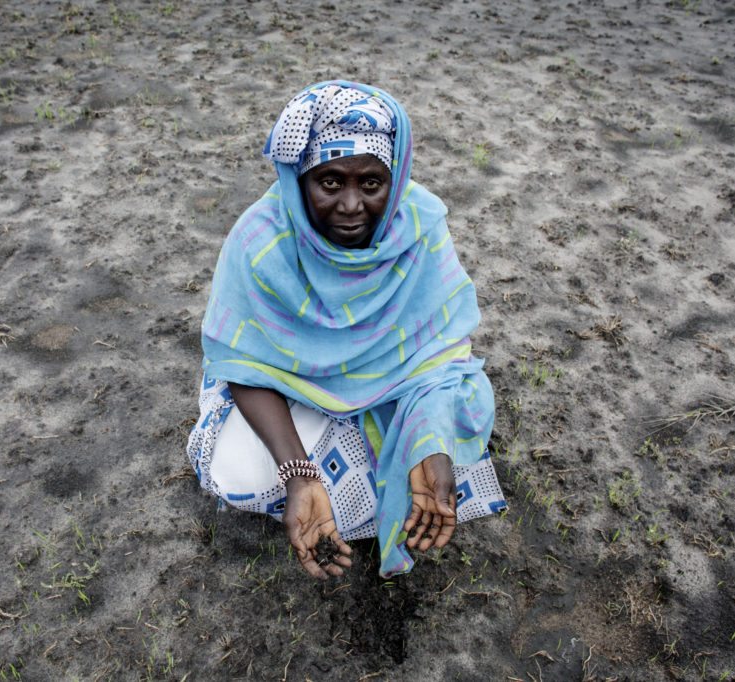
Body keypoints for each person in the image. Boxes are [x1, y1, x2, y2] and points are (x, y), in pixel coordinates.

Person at [186, 81, 506, 580]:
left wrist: (430, 442)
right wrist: (297, 476)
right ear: (300, 180)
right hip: (288, 385)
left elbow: (441, 357)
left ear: (395, 180)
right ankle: (324, 472)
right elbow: (243, 364)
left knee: (440, 458)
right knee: (240, 477)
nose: (352, 206)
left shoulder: (419, 228)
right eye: (330, 182)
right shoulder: (259, 241)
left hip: (394, 383)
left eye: (372, 184)